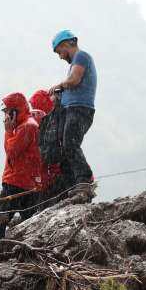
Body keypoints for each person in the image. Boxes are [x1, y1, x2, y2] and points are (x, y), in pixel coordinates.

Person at [48, 30, 96, 189]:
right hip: (72, 109)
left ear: (66, 44)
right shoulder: (77, 60)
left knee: (70, 143)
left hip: (80, 109)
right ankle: (71, 185)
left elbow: (74, 80)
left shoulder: (82, 56)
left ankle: (84, 180)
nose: (61, 56)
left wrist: (59, 86)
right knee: (65, 148)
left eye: (59, 52)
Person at [0, 92, 42, 238]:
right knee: (28, 222)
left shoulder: (26, 127)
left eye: (7, 112)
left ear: (15, 112)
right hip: (28, 183)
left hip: (16, 182)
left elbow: (11, 152)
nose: (5, 117)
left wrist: (8, 132)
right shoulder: (26, 124)